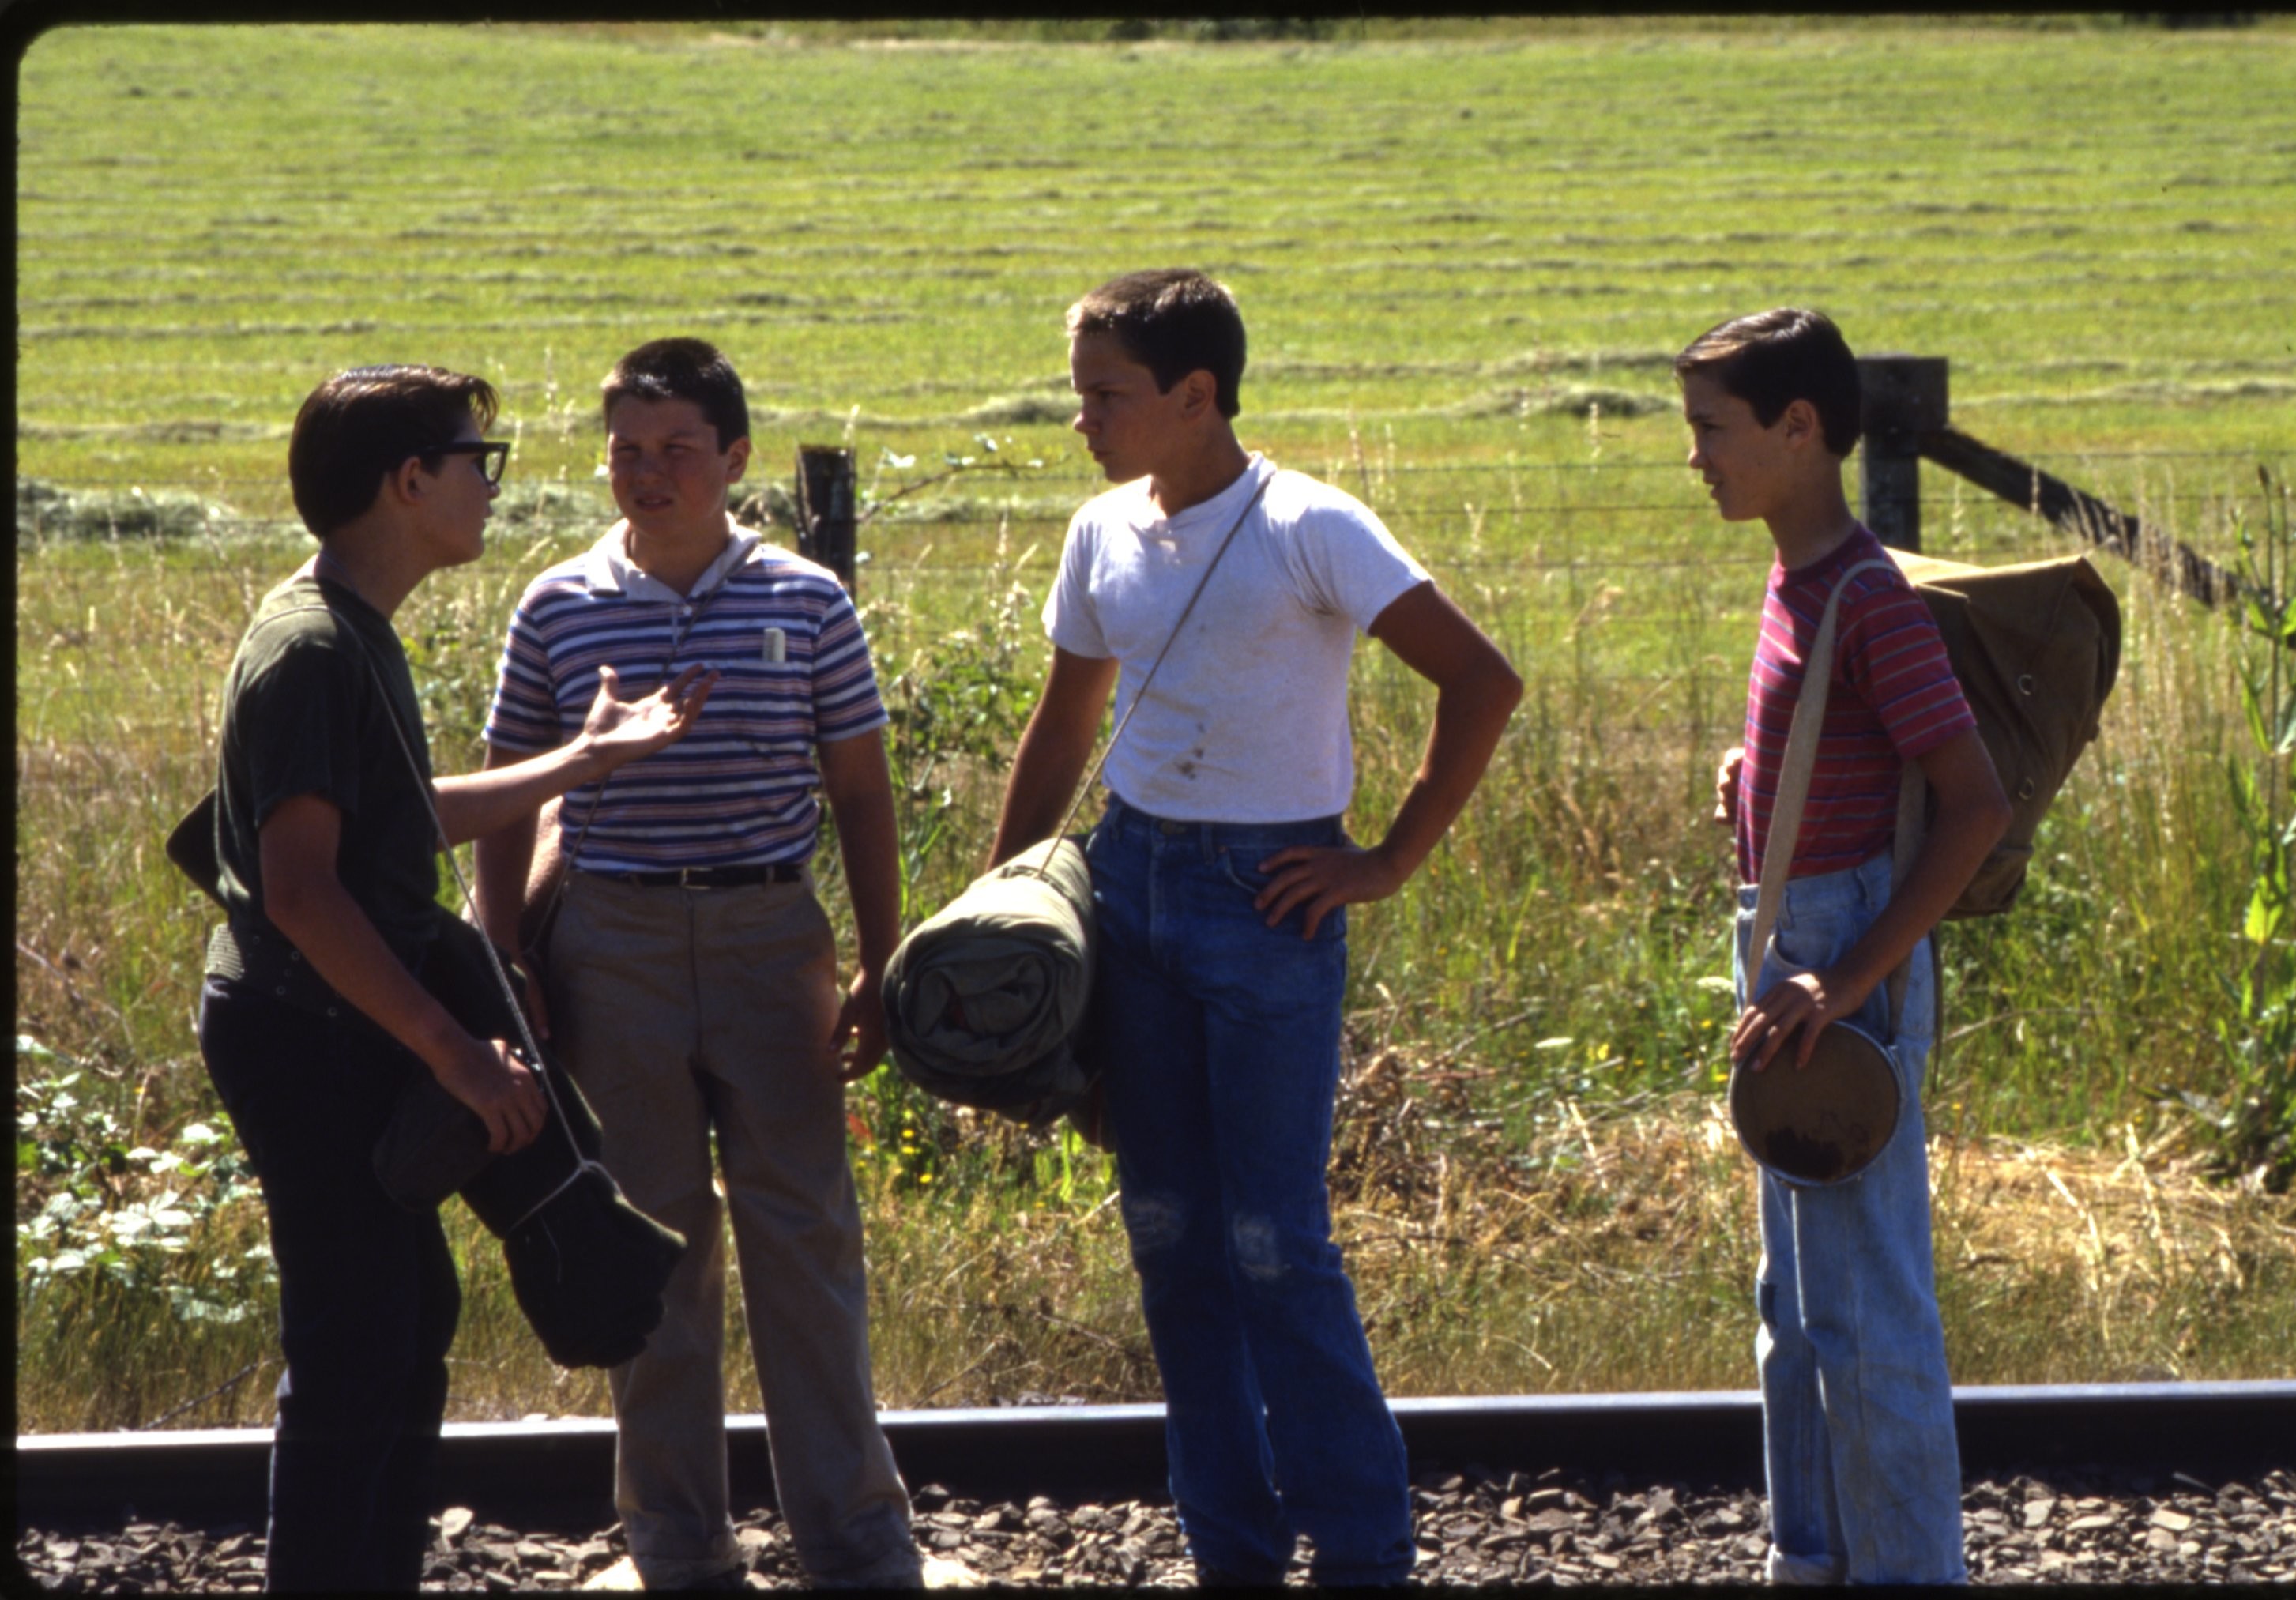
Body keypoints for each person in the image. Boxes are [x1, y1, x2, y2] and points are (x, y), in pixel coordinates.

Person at [989, 269, 1524, 1587]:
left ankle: (1362, 1552)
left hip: (1270, 898)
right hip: (1130, 888)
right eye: (1078, 392)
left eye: (1106, 395)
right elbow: (1063, 725)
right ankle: (1231, 1550)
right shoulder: (1100, 530)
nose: (1081, 419)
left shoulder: (1310, 523)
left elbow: (1482, 679)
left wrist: (1385, 860)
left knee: (1276, 1244)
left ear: (1196, 395)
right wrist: (997, 907)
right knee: (1172, 1236)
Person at [198, 364, 715, 1592]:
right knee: (356, 1342)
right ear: (409, 480)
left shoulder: (346, 625)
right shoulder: (313, 648)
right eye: (477, 461)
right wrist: (453, 1051)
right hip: (309, 1030)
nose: (493, 485)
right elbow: (303, 889)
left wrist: (579, 762)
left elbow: (395, 813)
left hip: (339, 1016)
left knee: (405, 1318)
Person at [472, 337, 922, 1591]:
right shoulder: (557, 603)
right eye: (626, 449)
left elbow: (862, 792)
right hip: (609, 947)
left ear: (734, 457)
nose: (648, 471)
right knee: (650, 1243)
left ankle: (855, 1539)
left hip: (772, 938)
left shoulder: (807, 601)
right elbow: (507, 793)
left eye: (677, 448)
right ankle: (677, 1544)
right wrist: (505, 956)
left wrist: (881, 960)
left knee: (806, 1235)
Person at [1679, 307, 2012, 1586]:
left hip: (1839, 974)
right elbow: (1848, 747)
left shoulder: (1866, 597)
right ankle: (1812, 1557)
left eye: (1712, 429)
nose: (1695, 457)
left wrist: (1846, 977)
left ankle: (1909, 1571)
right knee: (1796, 1308)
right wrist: (1758, 779)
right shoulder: (1797, 574)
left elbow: (1973, 805)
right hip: (1791, 954)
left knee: (1866, 1316)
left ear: (1799, 427)